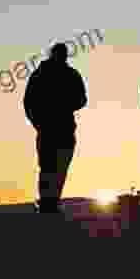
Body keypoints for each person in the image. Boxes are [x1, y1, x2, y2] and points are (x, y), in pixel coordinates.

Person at [23, 42, 88, 213]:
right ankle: (48, 202)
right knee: (51, 168)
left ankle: (50, 202)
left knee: (54, 168)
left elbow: (81, 99)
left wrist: (65, 105)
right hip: (51, 129)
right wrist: (38, 122)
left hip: (61, 129)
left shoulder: (67, 75)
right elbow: (29, 101)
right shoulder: (45, 74)